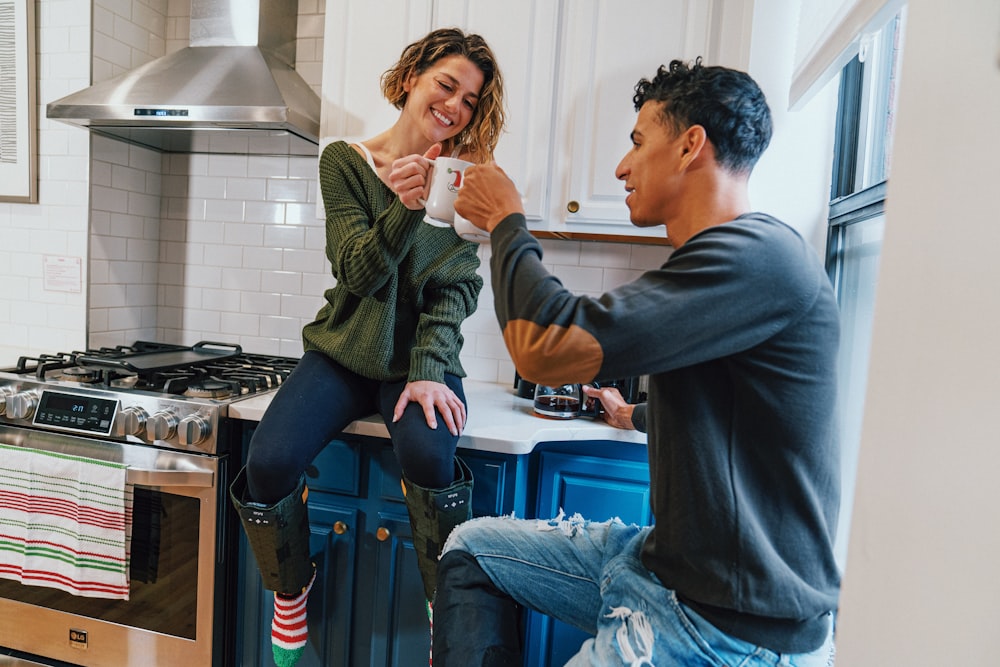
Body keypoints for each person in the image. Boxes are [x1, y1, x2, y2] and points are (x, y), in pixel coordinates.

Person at [436, 58, 841, 666]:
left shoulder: (757, 258)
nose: (622, 166)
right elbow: (741, 410)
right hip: (661, 566)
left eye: (636, 142)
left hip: (729, 627)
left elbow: (544, 344)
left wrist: (505, 219)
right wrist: (635, 416)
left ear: (689, 146)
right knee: (470, 548)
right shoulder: (726, 259)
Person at [229, 27, 506, 667]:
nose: (455, 106)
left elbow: (455, 290)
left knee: (430, 456)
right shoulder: (345, 161)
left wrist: (433, 370)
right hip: (344, 351)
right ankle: (292, 588)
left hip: (417, 364)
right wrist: (407, 206)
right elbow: (360, 272)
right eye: (447, 85)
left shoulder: (464, 181)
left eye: (469, 99)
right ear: (411, 77)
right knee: (268, 463)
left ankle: (447, 606)